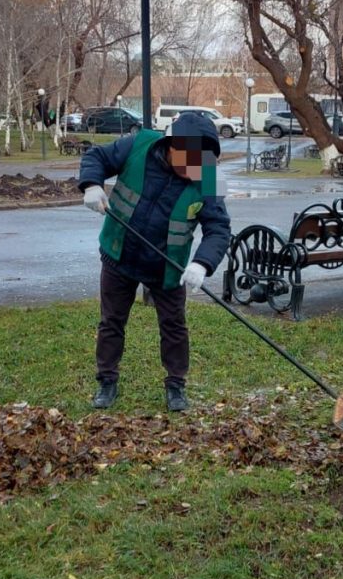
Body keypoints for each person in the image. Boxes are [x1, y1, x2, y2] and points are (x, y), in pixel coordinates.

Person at [79, 110, 231, 411]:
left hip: (168, 265)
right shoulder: (139, 145)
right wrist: (91, 184)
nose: (194, 167)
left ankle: (176, 385)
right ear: (170, 145)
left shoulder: (211, 176)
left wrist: (202, 263)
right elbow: (96, 156)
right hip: (119, 251)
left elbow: (219, 228)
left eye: (201, 160)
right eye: (188, 158)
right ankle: (107, 380)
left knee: (174, 326)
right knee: (111, 321)